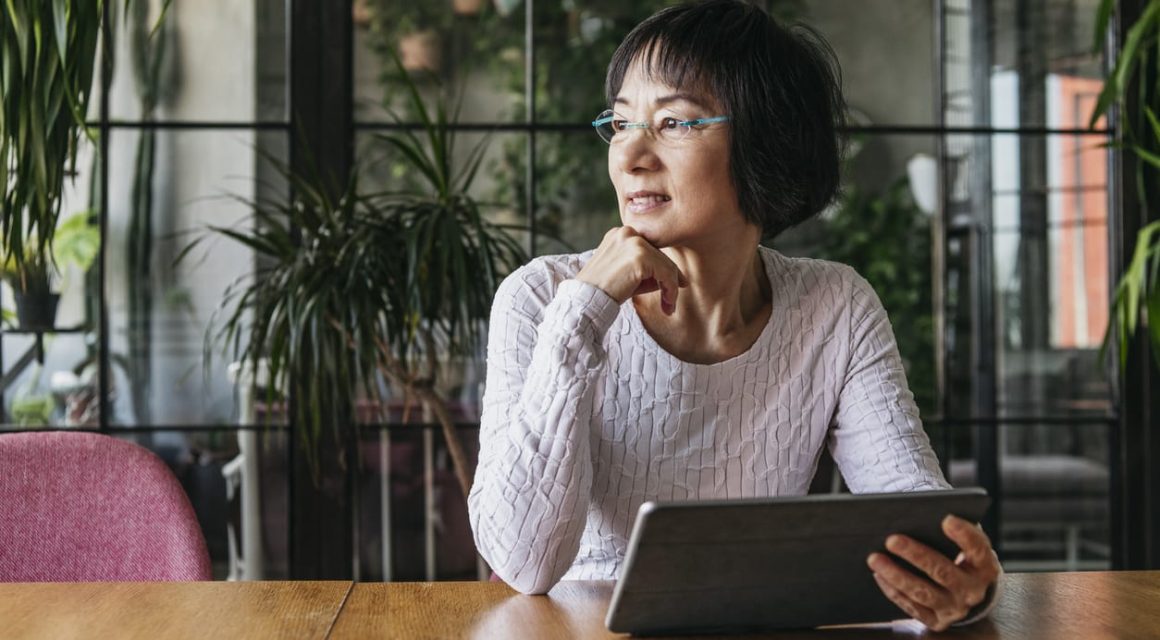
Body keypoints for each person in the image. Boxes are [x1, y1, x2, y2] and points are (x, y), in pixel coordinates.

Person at [467, 0, 1001, 631]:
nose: (631, 154)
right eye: (619, 122)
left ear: (766, 140)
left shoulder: (836, 306)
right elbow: (524, 564)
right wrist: (582, 311)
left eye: (673, 122)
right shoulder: (541, 297)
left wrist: (963, 588)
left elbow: (920, 522)